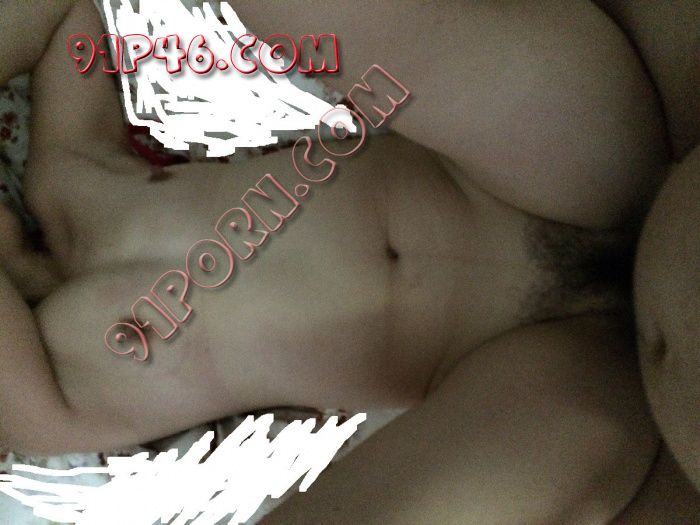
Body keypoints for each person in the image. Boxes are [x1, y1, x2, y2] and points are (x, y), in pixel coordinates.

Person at [0, 0, 685, 522]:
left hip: (525, 239)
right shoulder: (66, 372)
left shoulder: (65, 179)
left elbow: (79, 23)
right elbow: (43, 426)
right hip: (529, 323)